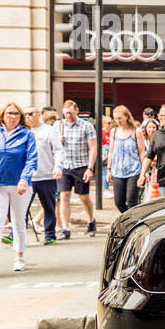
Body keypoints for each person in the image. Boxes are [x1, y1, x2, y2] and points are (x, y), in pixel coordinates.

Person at [0, 102, 37, 277]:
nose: (13, 117)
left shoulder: (27, 135)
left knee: (18, 222)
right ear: (3, 115)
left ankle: (19, 256)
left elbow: (32, 159)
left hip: (20, 185)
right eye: (10, 113)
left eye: (17, 114)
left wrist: (25, 179)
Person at [57, 99, 98, 239]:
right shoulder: (59, 126)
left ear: (77, 111)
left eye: (71, 113)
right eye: (66, 113)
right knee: (64, 196)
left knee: (83, 197)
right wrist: (58, 141)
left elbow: (93, 147)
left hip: (81, 165)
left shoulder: (86, 126)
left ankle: (91, 221)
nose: (68, 116)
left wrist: (90, 168)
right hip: (64, 166)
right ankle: (65, 229)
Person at [25, 105, 64, 245]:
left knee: (49, 207)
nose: (28, 116)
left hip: (47, 176)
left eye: (31, 113)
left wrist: (58, 167)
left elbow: (58, 150)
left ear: (38, 115)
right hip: (27, 177)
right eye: (26, 114)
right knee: (22, 207)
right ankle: (16, 234)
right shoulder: (22, 131)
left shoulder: (48, 131)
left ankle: (50, 234)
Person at [106, 105, 144, 214]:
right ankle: (130, 220)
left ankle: (133, 222)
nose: (118, 121)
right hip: (117, 171)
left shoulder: (136, 131)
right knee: (119, 202)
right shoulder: (114, 131)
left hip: (133, 170)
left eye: (120, 118)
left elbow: (142, 152)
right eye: (116, 118)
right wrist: (109, 170)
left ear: (127, 117)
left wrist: (143, 172)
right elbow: (111, 152)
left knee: (131, 200)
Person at [137, 117, 159, 202]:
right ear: (145, 128)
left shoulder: (158, 140)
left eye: (154, 127)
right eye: (149, 127)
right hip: (143, 167)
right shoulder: (143, 140)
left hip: (155, 168)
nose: (151, 129)